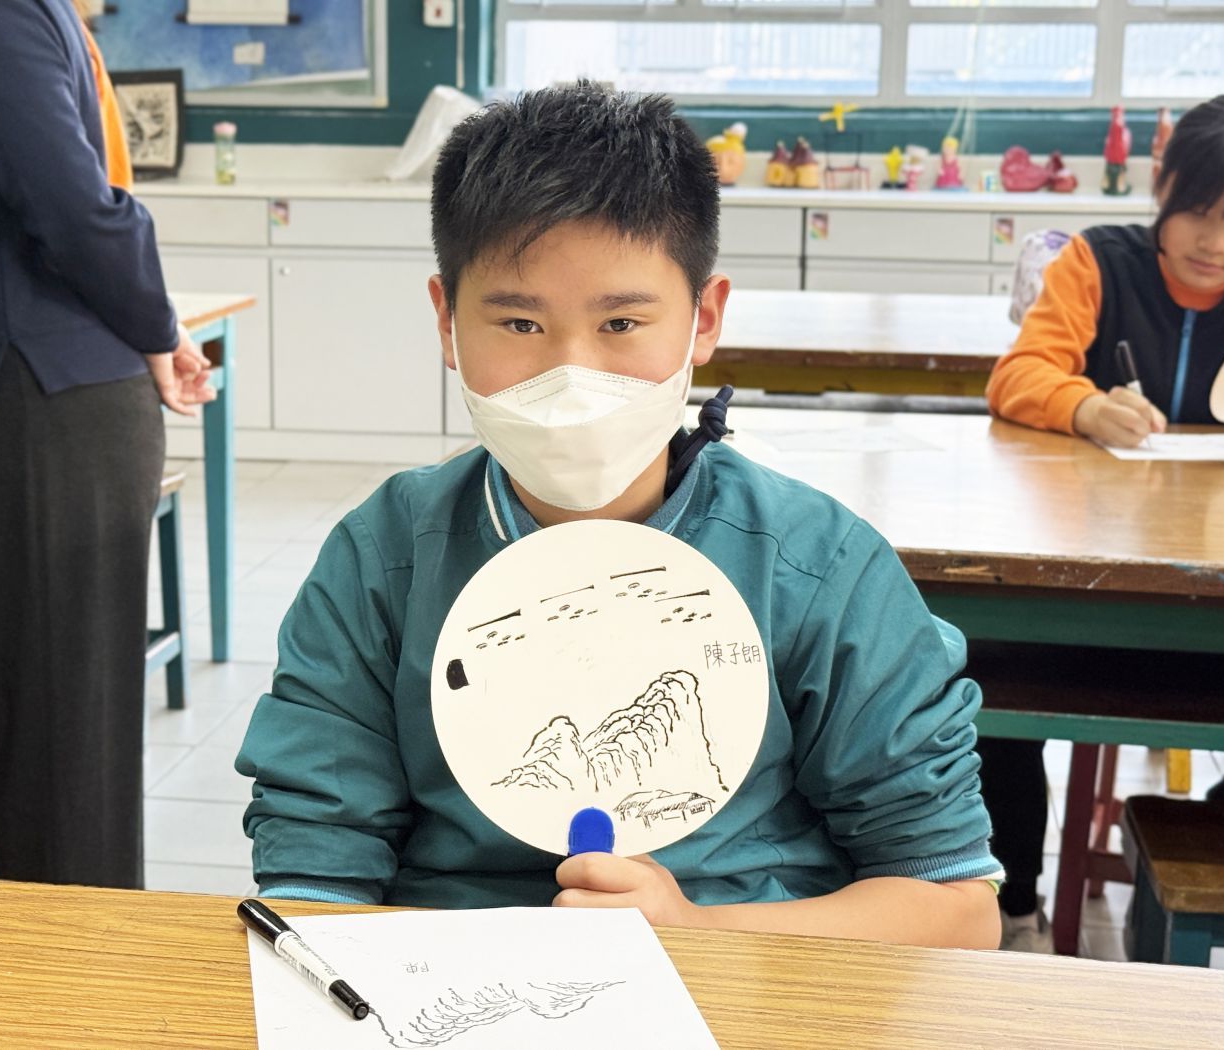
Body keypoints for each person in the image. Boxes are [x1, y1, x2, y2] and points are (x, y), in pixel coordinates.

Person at [235, 82, 1002, 949]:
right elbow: (313, 881)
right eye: (519, 324)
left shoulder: (816, 567)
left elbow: (956, 907)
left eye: (623, 323)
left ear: (703, 319)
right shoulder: (385, 559)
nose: (572, 376)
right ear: (447, 321)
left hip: (746, 982)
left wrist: (699, 934)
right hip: (446, 981)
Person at [0, 0, 213, 887]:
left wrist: (155, 324)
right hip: (30, 391)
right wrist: (155, 324)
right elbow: (61, 198)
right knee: (44, 745)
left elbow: (71, 204)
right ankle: (54, 952)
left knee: (57, 758)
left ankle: (67, 960)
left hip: (41, 404)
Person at [983, 95, 1224, 950]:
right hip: (1092, 586)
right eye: (1199, 212)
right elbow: (1019, 375)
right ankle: (1014, 903)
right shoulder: (1099, 262)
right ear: (1162, 186)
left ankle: (1217, 821)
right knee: (983, 682)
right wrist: (1080, 406)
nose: (1217, 244)